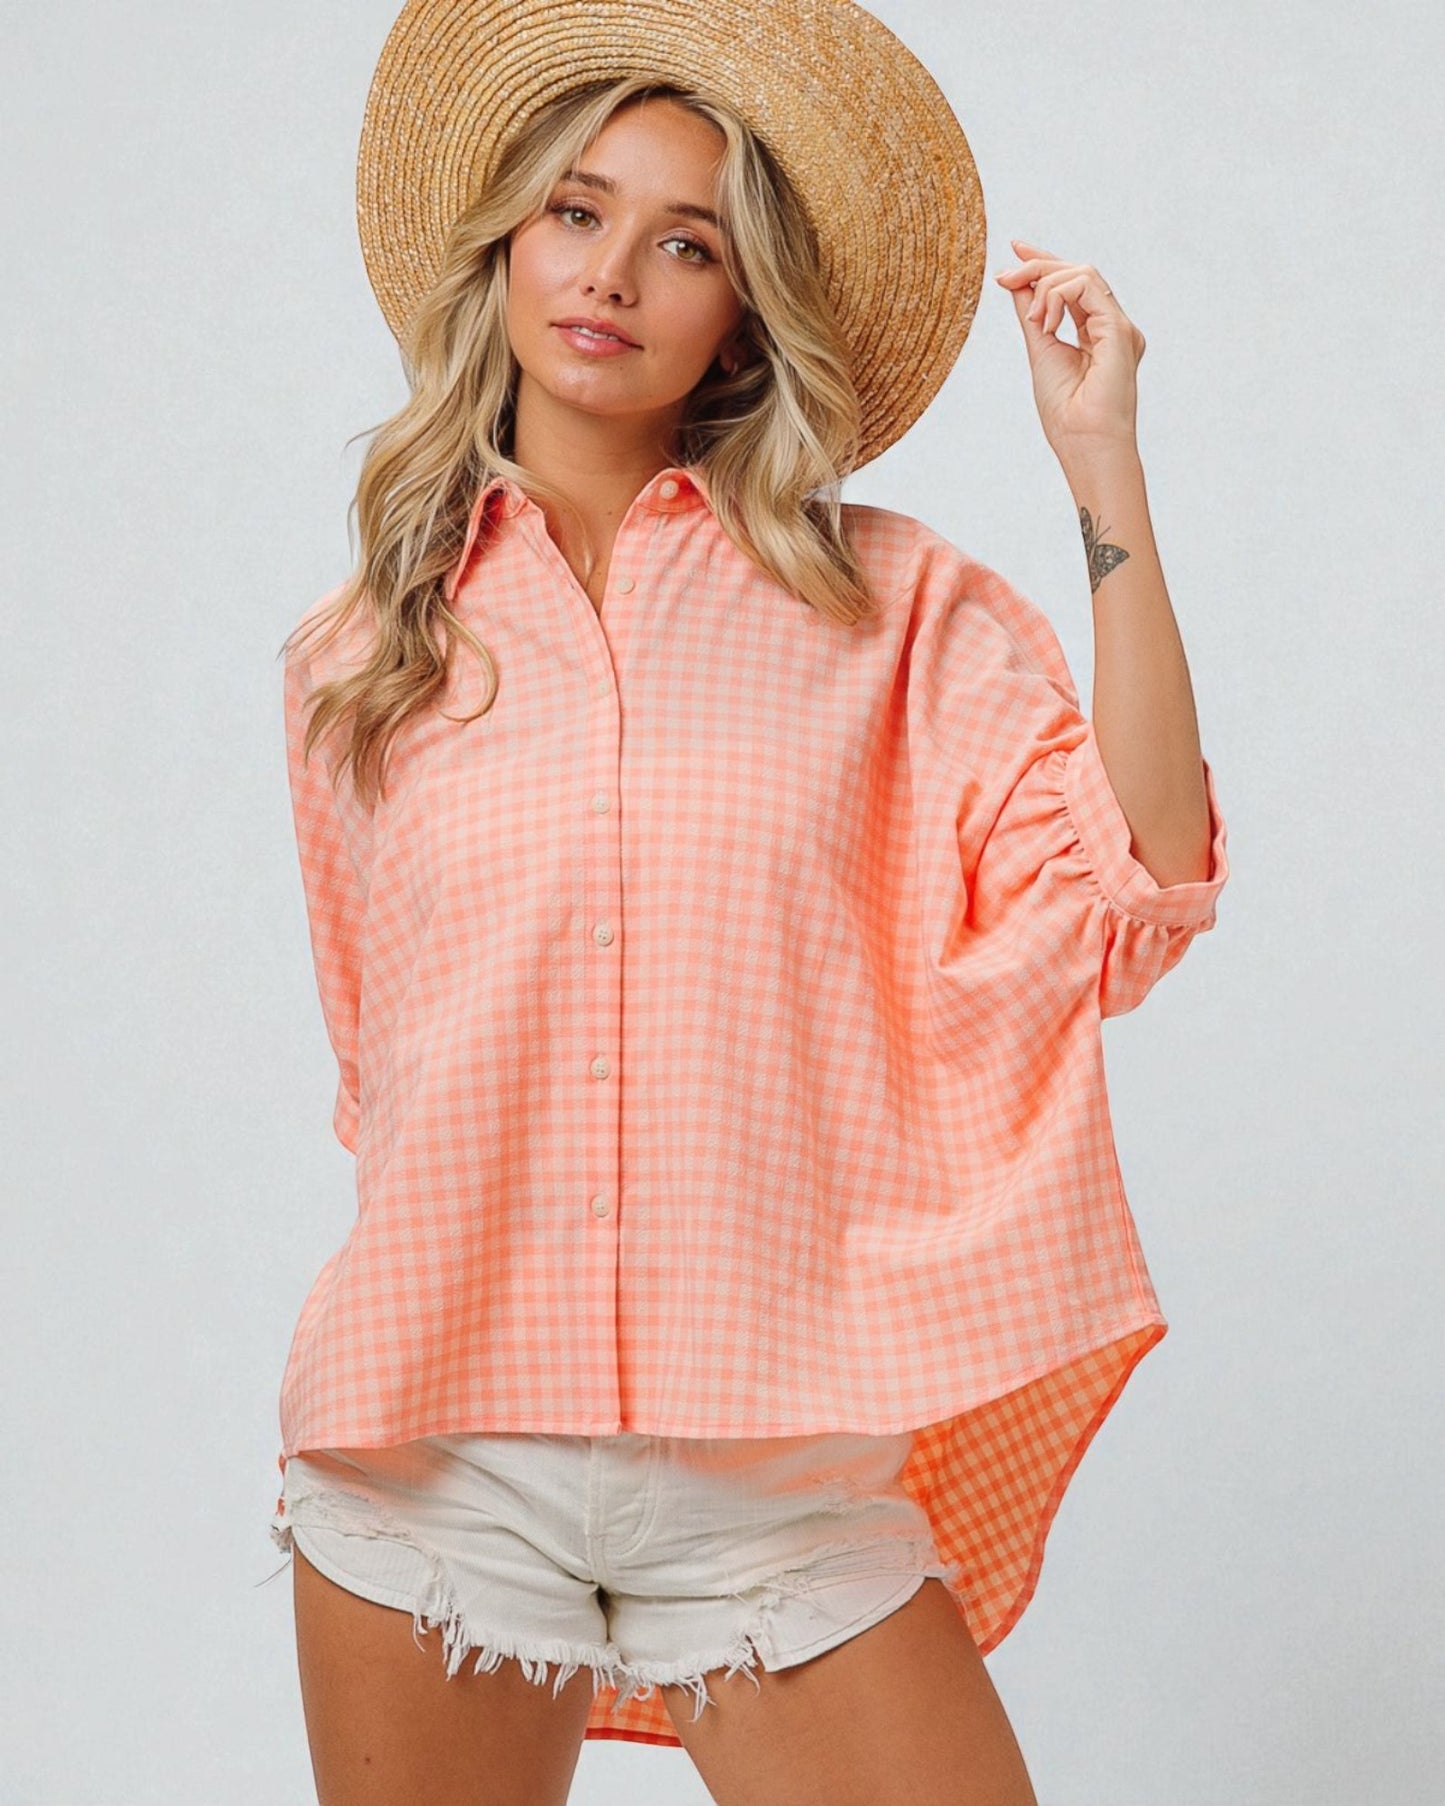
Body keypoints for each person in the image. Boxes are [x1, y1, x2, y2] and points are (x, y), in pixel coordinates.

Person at [262, 4, 1230, 1802]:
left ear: (741, 306)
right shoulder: (358, 657)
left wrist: (1103, 470)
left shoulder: (894, 614)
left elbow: (1137, 887)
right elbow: (378, 1058)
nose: (612, 273)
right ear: (501, 245)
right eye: (574, 211)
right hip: (434, 1457)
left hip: (776, 1480)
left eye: (683, 241)